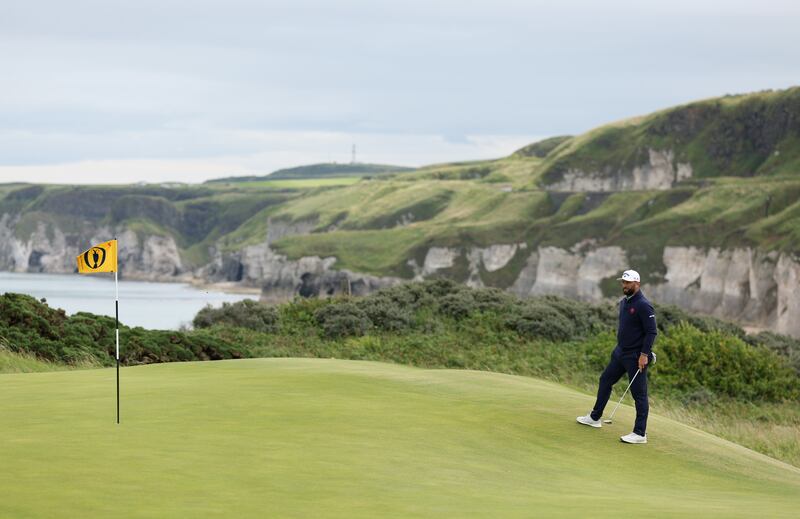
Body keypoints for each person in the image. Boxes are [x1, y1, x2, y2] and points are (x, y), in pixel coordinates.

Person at [576, 269, 657, 444]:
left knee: (639, 395)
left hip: (636, 356)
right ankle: (595, 417)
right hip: (620, 352)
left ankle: (640, 433)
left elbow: (651, 332)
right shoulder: (624, 302)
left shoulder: (643, 305)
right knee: (605, 380)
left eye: (628, 282)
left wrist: (644, 354)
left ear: (637, 283)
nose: (624, 285)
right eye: (623, 282)